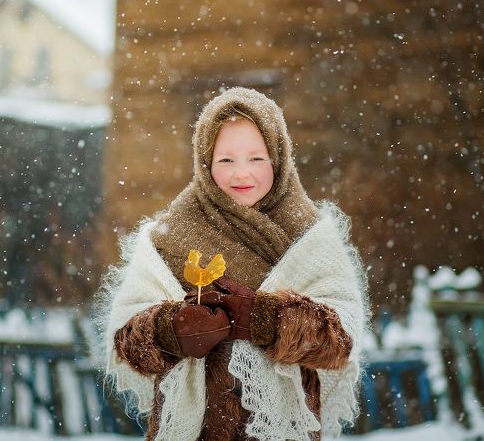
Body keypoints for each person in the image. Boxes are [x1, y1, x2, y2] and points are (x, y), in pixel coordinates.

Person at [98, 87, 369, 441]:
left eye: (256, 158)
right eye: (226, 160)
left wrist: (265, 319)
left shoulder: (310, 235)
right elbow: (126, 340)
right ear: (205, 161)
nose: (242, 174)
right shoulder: (169, 235)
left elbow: (341, 339)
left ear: (279, 157)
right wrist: (172, 330)